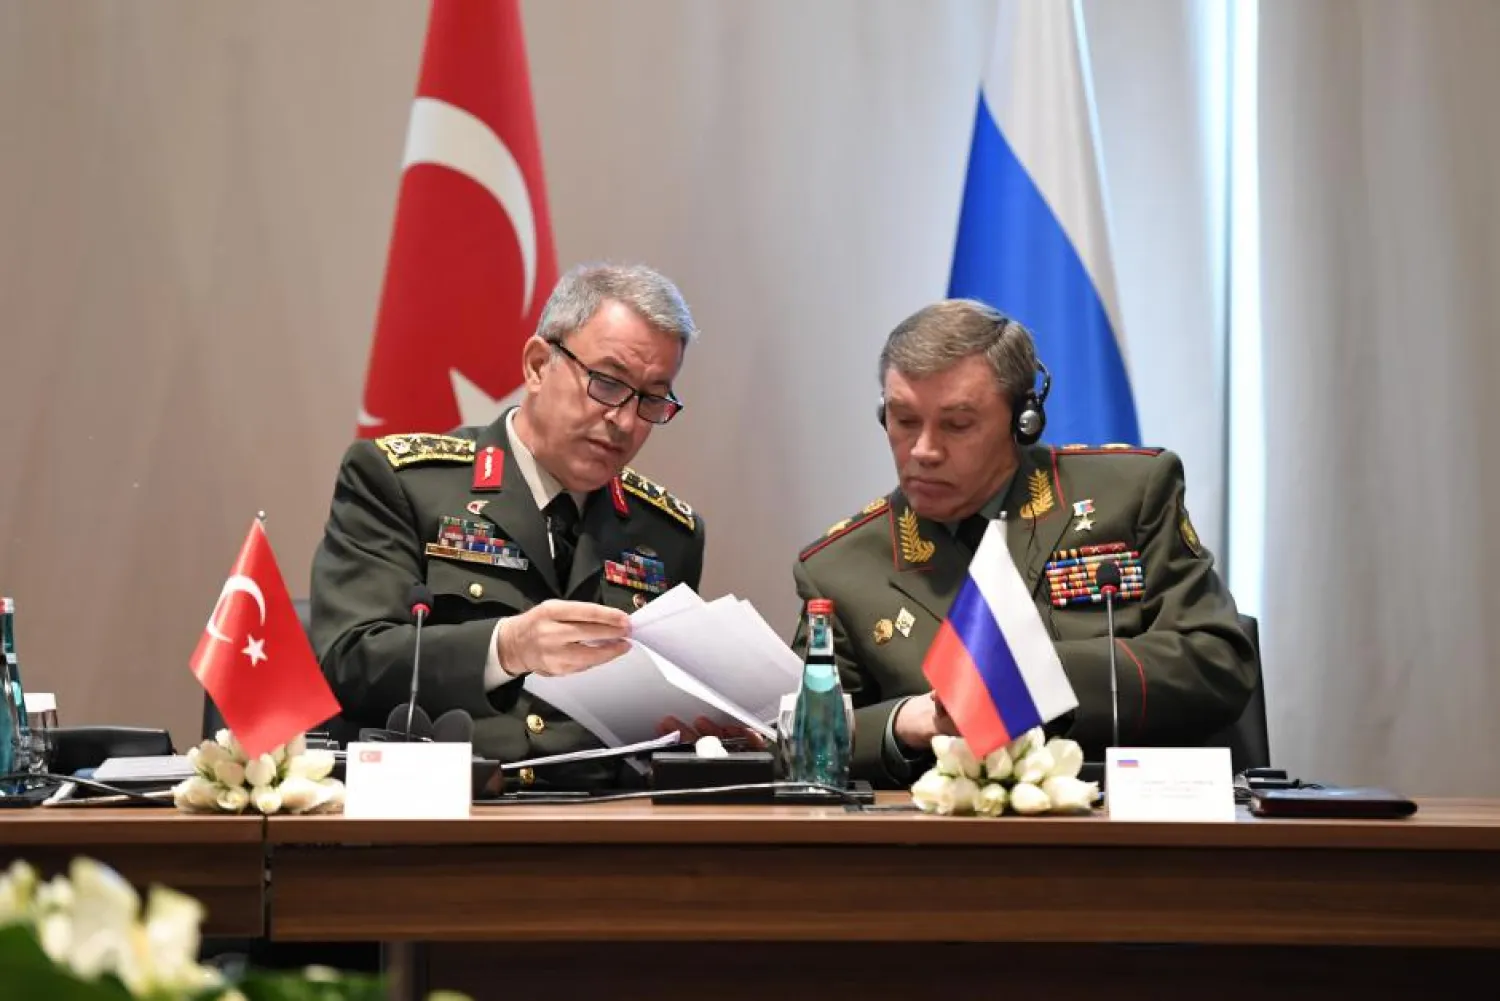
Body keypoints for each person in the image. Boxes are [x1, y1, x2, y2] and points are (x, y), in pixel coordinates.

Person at [791, 299, 1258, 788]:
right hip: (938, 845)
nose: (924, 451)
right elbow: (797, 740)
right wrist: (905, 721)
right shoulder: (840, 568)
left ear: (1023, 420)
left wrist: (1035, 678)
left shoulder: (1129, 495)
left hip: (1127, 822)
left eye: (957, 424)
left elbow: (1218, 662)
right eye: (904, 421)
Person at [310, 263, 709, 790]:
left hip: (608, 830)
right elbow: (350, 661)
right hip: (448, 822)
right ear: (539, 365)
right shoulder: (402, 482)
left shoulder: (668, 533)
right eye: (608, 383)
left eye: (652, 398)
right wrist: (506, 647)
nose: (626, 421)